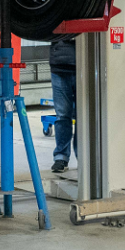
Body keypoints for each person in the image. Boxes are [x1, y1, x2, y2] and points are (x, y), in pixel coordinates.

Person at [48, 34, 77, 173]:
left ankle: (84, 156)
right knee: (62, 115)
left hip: (83, 67)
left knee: (83, 116)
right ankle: (61, 157)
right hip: (59, 67)